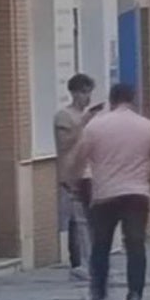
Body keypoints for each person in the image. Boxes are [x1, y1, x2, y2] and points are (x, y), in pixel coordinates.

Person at [69, 83, 150, 300]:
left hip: (104, 194)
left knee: (101, 246)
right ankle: (135, 299)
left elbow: (79, 160)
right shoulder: (147, 127)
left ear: (111, 100)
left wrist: (74, 184)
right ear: (133, 98)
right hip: (137, 195)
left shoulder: (96, 127)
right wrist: (147, 184)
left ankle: (99, 296)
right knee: (136, 246)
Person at [54, 73, 97, 281]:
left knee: (90, 218)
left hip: (89, 172)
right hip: (71, 174)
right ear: (73, 93)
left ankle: (92, 261)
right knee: (76, 220)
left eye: (89, 92)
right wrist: (83, 123)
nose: (86, 97)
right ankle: (78, 263)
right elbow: (65, 143)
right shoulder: (64, 116)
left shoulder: (88, 116)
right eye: (83, 92)